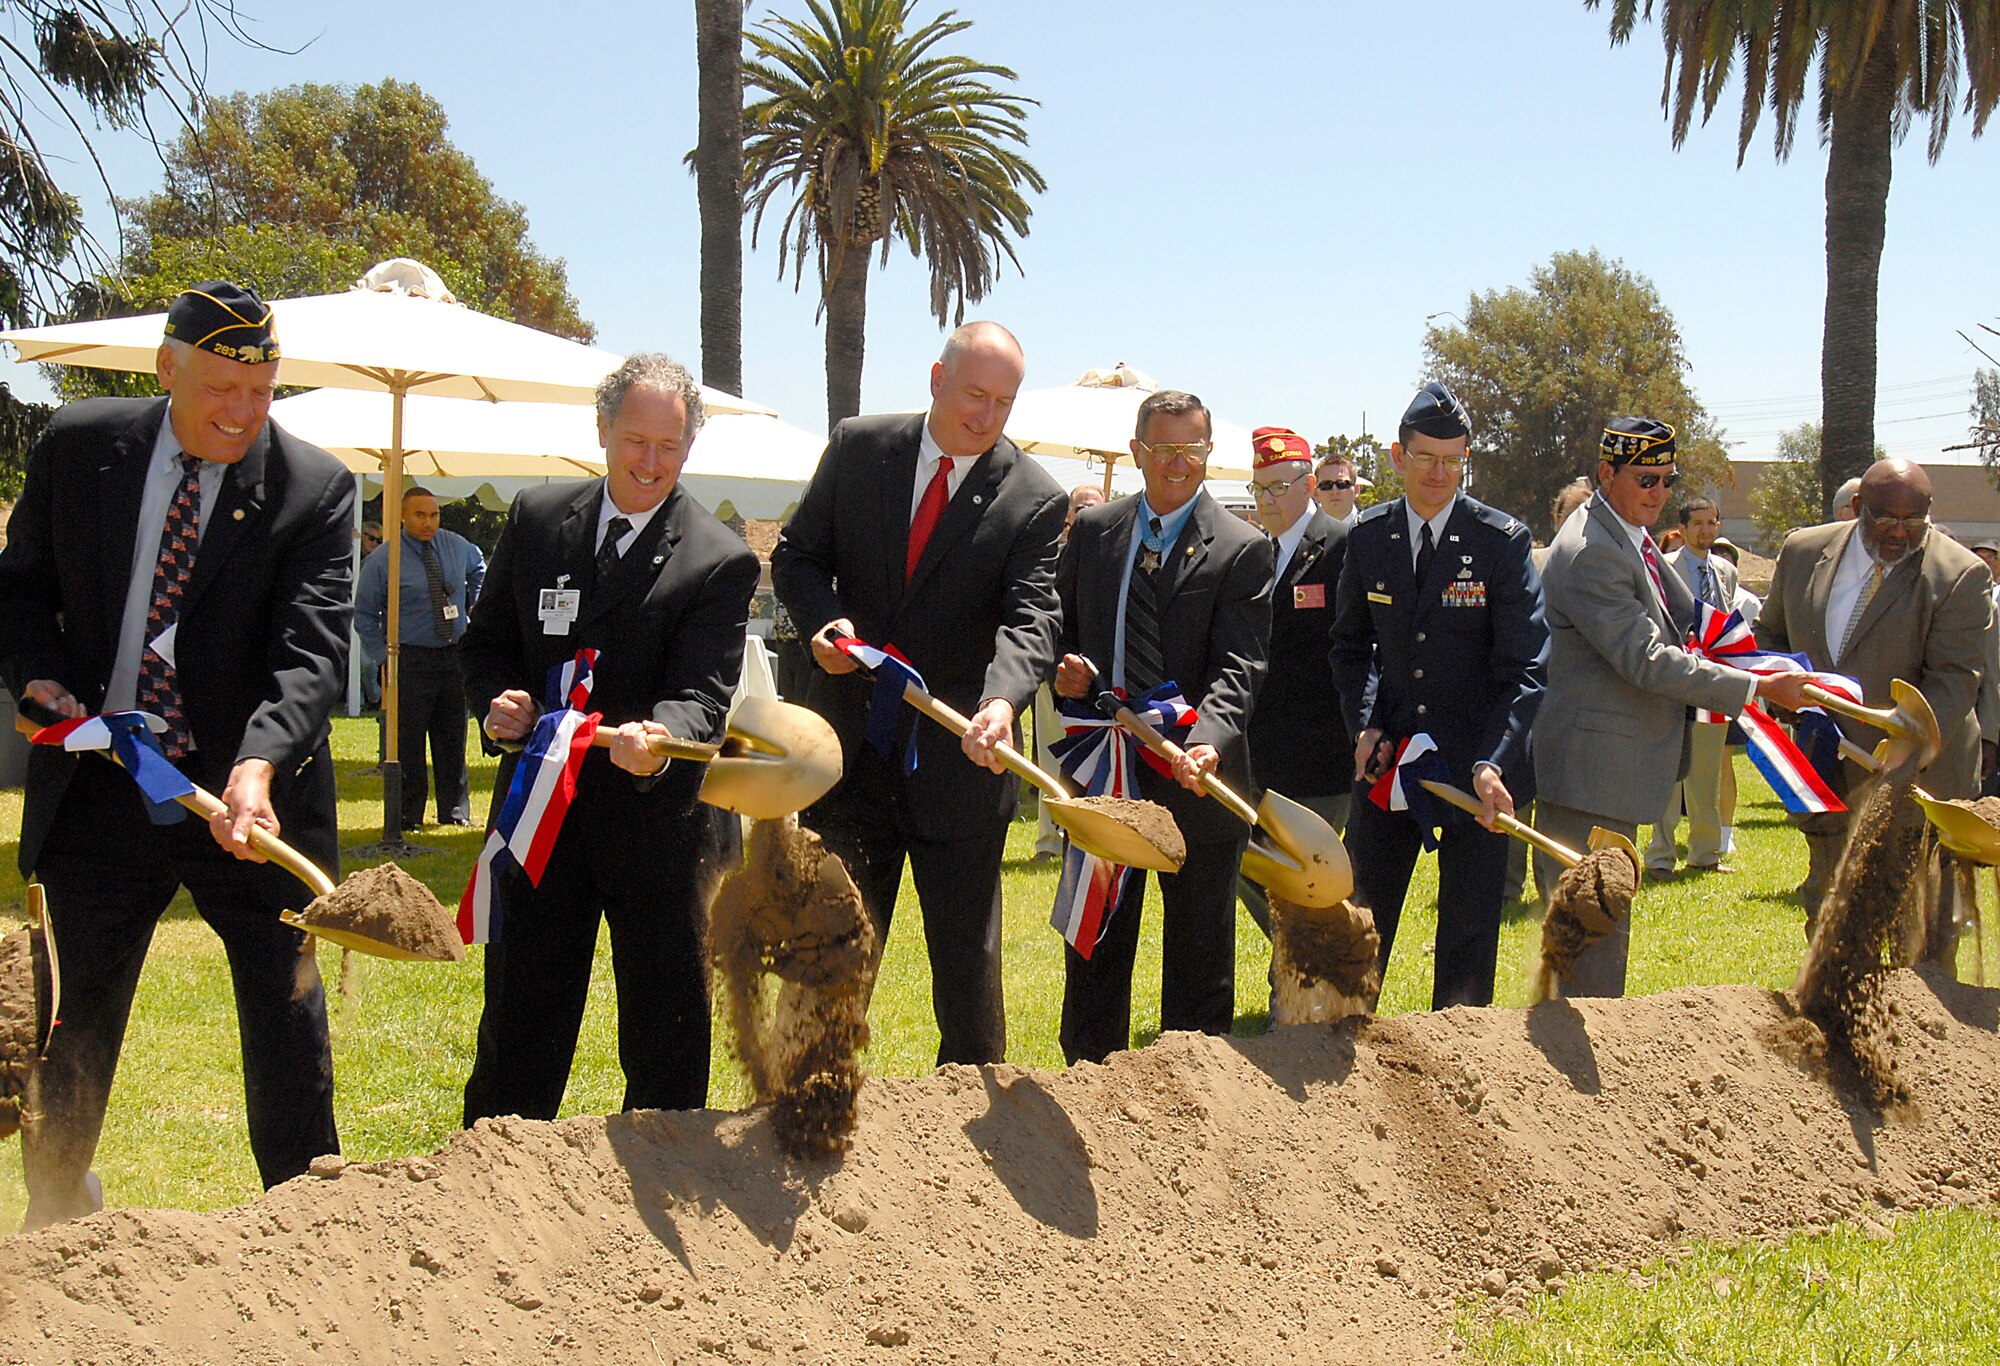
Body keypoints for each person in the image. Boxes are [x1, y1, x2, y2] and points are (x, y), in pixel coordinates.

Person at [0, 282, 351, 1230]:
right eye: (219, 390)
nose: (242, 414)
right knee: (72, 1018)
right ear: (166, 371)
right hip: (102, 787)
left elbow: (311, 654)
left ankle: (303, 1228)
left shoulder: (316, 490)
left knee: (287, 1018)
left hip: (240, 801)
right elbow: (19, 590)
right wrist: (37, 676)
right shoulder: (79, 449)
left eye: (263, 390)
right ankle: (56, 1215)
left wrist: (259, 766)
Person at [460, 352, 758, 1123]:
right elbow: (486, 642)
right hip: (542, 820)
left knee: (666, 1029)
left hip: (658, 827)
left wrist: (665, 735)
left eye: (669, 446)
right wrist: (496, 703)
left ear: (689, 447)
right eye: (635, 441)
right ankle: (494, 1169)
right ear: (602, 429)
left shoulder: (719, 558)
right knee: (521, 1019)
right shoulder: (536, 520)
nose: (650, 462)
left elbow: (704, 693)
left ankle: (662, 1172)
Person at [772, 321, 1065, 1066]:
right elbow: (799, 556)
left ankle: (971, 1114)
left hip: (961, 759)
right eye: (975, 394)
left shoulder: (1034, 496)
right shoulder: (860, 449)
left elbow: (1032, 618)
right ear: (937, 378)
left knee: (968, 966)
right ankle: (802, 1099)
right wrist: (822, 624)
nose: (987, 416)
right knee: (830, 947)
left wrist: (1001, 702)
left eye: (1005, 401)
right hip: (850, 748)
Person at [1535, 418, 1812, 996]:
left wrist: (1752, 660)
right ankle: (1572, 1071)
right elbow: (1648, 660)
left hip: (1611, 768)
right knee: (1589, 947)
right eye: (1646, 479)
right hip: (1590, 774)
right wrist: (1757, 690)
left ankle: (1584, 1059)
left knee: (1599, 945)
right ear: (1607, 473)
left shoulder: (1623, 532)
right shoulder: (1592, 551)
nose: (1660, 492)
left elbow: (1689, 622)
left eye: (1668, 479)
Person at [1052, 389, 1270, 1062]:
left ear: (1208, 452)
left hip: (1195, 775)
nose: (1179, 464)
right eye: (1165, 449)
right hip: (1106, 763)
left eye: (1193, 449)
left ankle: (1197, 1080)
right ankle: (1089, 1076)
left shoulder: (1243, 547)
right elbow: (1058, 624)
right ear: (1138, 451)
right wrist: (1060, 667)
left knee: (1199, 946)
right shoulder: (1094, 533)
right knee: (1098, 938)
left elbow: (1242, 664)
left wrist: (1206, 742)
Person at [1329, 382, 1547, 1009]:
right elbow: (1350, 648)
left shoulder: (1499, 541)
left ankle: (1459, 1062)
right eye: (1426, 458)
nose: (1440, 473)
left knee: (1469, 940)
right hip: (1392, 760)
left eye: (1454, 460)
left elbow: (1526, 667)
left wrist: (1494, 761)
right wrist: (1365, 725)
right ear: (1398, 457)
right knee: (1359, 923)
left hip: (1478, 768)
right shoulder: (1369, 537)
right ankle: (1337, 1049)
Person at [1754, 457, 1991, 923]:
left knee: (1919, 927)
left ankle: (1916, 998)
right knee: (1829, 909)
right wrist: (1782, 689)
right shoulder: (1803, 552)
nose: (1899, 532)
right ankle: (1832, 995)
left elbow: (1955, 679)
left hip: (1920, 782)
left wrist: (1908, 745)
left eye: (1913, 520)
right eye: (1885, 518)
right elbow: (1769, 636)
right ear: (1857, 506)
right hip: (1825, 772)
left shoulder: (1960, 574)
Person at [1237, 426, 1349, 935]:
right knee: (1253, 866)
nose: (1268, 500)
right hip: (1260, 751)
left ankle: (1314, 976)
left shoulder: (1342, 545)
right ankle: (1298, 966)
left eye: (1280, 486)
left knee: (1306, 878)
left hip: (1321, 752)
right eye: (1259, 488)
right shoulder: (1252, 551)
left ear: (1308, 485)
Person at [356, 486, 485, 827]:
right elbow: (364, 614)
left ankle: (454, 813)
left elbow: (480, 568)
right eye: (420, 515)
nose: (429, 522)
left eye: (434, 515)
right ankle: (409, 815)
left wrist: (475, 605)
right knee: (408, 743)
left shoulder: (456, 546)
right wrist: (382, 656)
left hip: (452, 657)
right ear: (402, 515)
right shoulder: (385, 559)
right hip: (408, 659)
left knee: (453, 738)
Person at [1503, 476, 1598, 904]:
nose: (1577, 519)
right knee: (1516, 796)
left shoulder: (1600, 564)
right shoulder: (1530, 560)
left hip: (1574, 707)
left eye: (1586, 511)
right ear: (1555, 517)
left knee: (1559, 805)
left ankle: (1554, 890)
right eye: (1570, 511)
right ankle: (1505, 888)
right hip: (1525, 700)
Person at [1646, 496, 1741, 877]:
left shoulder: (1726, 571)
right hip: (1673, 681)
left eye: (1711, 523)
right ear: (1681, 529)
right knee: (1670, 770)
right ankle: (1661, 855)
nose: (1705, 530)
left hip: (1712, 683)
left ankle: (1705, 852)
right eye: (1697, 523)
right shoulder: (1663, 568)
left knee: (1707, 770)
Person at [1034, 483, 1106, 862]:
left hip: (1097, 687)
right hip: (1051, 677)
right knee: (1050, 758)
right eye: (1079, 508)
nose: (1085, 514)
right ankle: (1048, 839)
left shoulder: (1112, 557)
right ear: (1068, 517)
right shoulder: (1050, 557)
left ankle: (1085, 833)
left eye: (1093, 507)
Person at [357, 521, 385, 711]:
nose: (375, 543)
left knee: (368, 663)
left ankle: (374, 698)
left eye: (379, 540)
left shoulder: (379, 563)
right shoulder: (351, 559)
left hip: (372, 619)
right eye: (372, 538)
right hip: (352, 616)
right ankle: (358, 700)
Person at [1313, 452, 1362, 525]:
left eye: (1342, 484)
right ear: (1315, 493)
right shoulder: (1302, 532)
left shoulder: (1376, 531)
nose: (1334, 491)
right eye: (1326, 485)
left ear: (1356, 490)